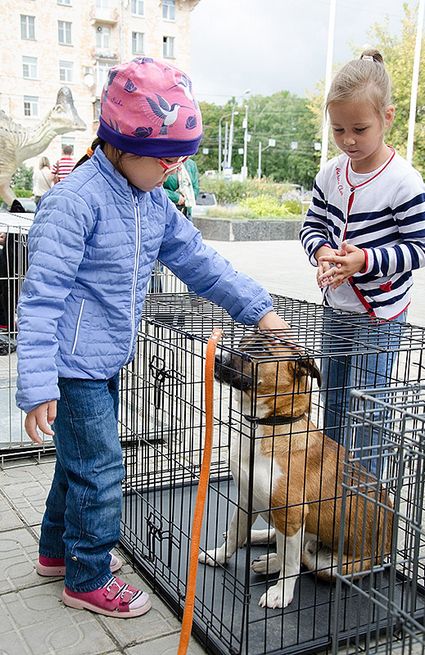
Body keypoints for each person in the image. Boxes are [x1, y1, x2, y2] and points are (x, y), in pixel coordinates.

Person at [16, 58, 287, 619]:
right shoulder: (76, 202)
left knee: (77, 464)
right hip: (72, 366)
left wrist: (257, 309)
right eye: (165, 158)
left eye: (181, 159)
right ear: (119, 143)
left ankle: (54, 553)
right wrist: (38, 382)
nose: (174, 169)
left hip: (103, 358)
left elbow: (198, 259)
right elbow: (40, 297)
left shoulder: (150, 201)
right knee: (101, 469)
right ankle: (87, 575)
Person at [300, 49, 425, 470]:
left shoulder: (403, 182)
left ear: (388, 118)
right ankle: (330, 497)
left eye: (359, 128)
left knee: (371, 409)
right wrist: (321, 251)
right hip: (337, 310)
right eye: (338, 129)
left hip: (381, 315)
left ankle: (366, 500)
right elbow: (311, 227)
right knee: (334, 403)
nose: (348, 140)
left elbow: (423, 248)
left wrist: (367, 260)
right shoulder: (330, 174)